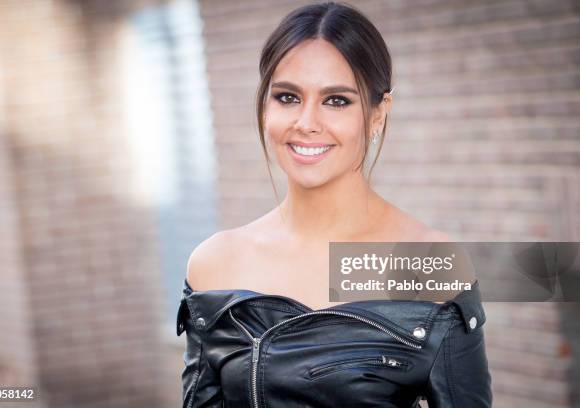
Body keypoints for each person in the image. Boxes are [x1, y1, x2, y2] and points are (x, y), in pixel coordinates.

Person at [177, 2, 492, 407]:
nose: (306, 122)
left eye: (337, 100)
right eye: (287, 97)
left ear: (379, 114)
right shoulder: (214, 263)